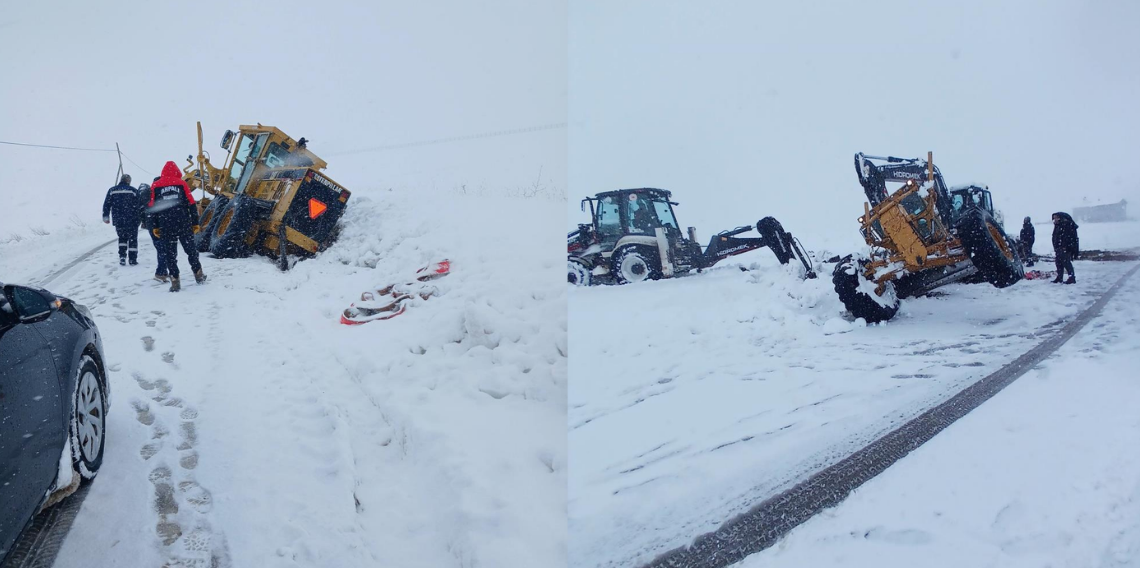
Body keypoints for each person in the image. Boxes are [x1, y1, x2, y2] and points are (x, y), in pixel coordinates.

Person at [147, 161, 206, 292]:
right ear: (176, 171)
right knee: (191, 250)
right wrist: (195, 223)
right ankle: (198, 274)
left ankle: (175, 281)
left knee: (170, 254)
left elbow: (152, 207)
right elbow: (191, 204)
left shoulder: (156, 185)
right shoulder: (182, 183)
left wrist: (155, 226)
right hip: (183, 223)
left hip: (165, 225)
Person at [102, 173, 142, 265]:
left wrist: (106, 216)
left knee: (122, 238)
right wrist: (141, 218)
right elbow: (139, 205)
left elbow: (106, 204)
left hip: (118, 220)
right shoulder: (133, 190)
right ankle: (132, 260)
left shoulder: (112, 190)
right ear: (128, 181)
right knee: (132, 239)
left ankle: (122, 257)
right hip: (132, 220)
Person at [137, 181, 168, 282]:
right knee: (163, 249)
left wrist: (145, 222)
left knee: (161, 248)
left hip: (152, 224)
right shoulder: (160, 193)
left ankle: (163, 271)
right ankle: (160, 272)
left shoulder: (147, 195)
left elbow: (141, 210)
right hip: (160, 224)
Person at [1051, 212, 1079, 284]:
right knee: (1058, 262)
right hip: (1058, 247)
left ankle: (1071, 277)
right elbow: (1055, 236)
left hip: (1065, 248)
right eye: (1054, 218)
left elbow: (1069, 238)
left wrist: (1066, 246)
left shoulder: (1067, 225)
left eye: (1056, 218)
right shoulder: (1057, 225)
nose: (1055, 219)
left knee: (1066, 262)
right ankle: (1059, 277)